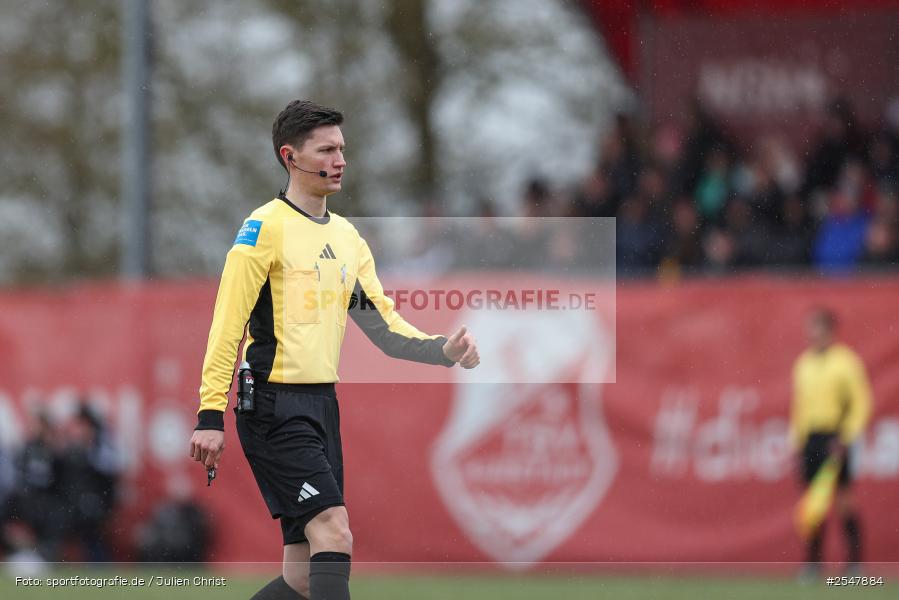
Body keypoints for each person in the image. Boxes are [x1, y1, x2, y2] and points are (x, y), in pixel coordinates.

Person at [189, 100, 479, 600]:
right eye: (326, 149)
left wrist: (442, 351)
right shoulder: (262, 231)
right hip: (274, 407)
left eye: (342, 148)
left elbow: (384, 328)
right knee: (335, 532)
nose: (340, 159)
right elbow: (226, 327)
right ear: (290, 157)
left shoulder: (348, 239)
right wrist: (210, 414)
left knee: (302, 578)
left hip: (322, 407)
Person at [789, 308, 872, 575]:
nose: (811, 334)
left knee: (844, 500)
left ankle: (855, 563)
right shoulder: (803, 363)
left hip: (836, 437)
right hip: (811, 438)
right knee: (814, 503)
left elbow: (861, 402)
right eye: (809, 328)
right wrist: (797, 441)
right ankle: (813, 563)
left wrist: (847, 435)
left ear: (830, 330)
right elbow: (800, 407)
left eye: (816, 328)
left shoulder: (845, 362)